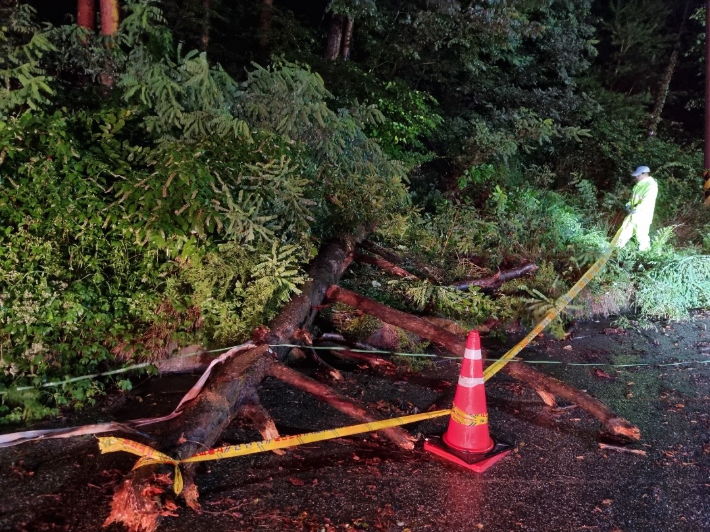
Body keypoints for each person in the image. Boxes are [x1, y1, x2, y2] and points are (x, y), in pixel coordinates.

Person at [616, 165, 658, 252]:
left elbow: (647, 201)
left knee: (642, 237)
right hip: (633, 215)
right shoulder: (638, 185)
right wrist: (628, 205)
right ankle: (616, 252)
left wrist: (636, 209)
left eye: (638, 175)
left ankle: (645, 257)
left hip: (643, 216)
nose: (636, 177)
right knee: (623, 234)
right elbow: (632, 199)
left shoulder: (651, 185)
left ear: (645, 174)